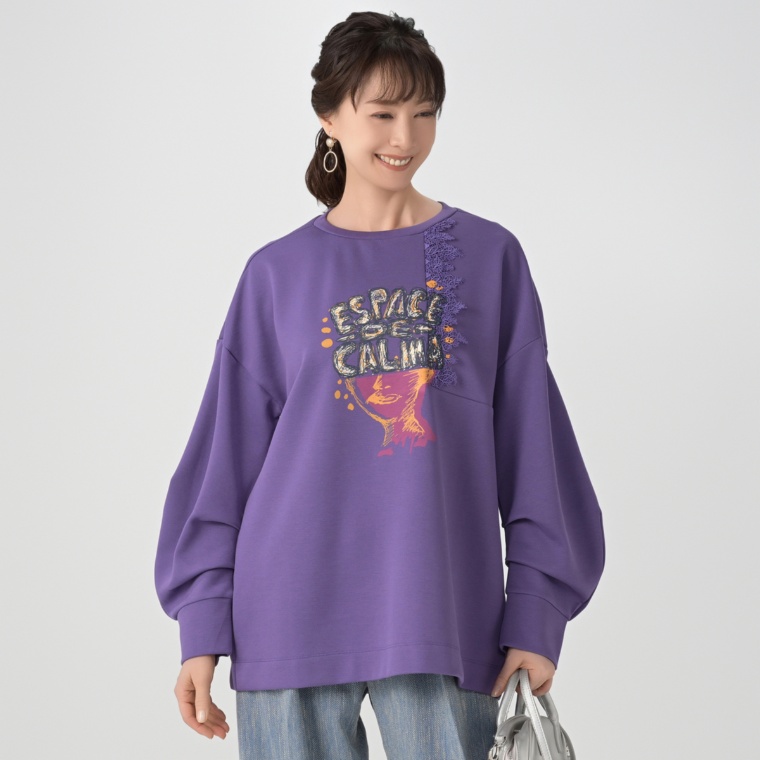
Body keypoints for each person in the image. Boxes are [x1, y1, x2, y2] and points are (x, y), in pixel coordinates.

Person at [153, 10, 606, 760]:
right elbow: (223, 459)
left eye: (424, 113)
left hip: (441, 612)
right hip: (286, 615)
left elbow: (535, 451)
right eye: (383, 113)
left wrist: (536, 611)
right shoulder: (276, 273)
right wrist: (201, 623)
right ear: (330, 118)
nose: (406, 136)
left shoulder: (490, 257)